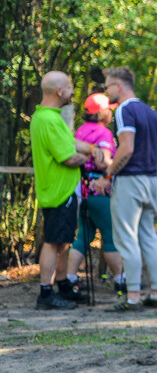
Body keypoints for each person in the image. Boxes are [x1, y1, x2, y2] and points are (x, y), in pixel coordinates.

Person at [98, 66, 157, 311]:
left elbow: (126, 148)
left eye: (107, 87)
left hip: (130, 180)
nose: (106, 93)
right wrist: (155, 184)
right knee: (148, 236)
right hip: (149, 180)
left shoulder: (124, 110)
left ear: (118, 86)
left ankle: (133, 296)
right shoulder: (151, 112)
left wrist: (107, 175)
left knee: (126, 238)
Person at [31, 72, 93, 309]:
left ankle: (63, 283)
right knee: (53, 241)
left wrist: (91, 148)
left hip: (56, 189)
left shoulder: (45, 116)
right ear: (59, 91)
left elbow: (68, 144)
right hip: (59, 191)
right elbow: (68, 157)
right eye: (69, 86)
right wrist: (88, 159)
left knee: (62, 241)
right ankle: (45, 293)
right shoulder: (50, 120)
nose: (72, 91)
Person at [66, 93, 125, 300]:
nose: (111, 111)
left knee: (84, 236)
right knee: (109, 236)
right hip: (100, 190)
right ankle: (121, 279)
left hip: (82, 191)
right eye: (109, 108)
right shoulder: (104, 133)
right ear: (101, 113)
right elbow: (104, 162)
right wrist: (119, 165)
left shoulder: (80, 130)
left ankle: (70, 278)